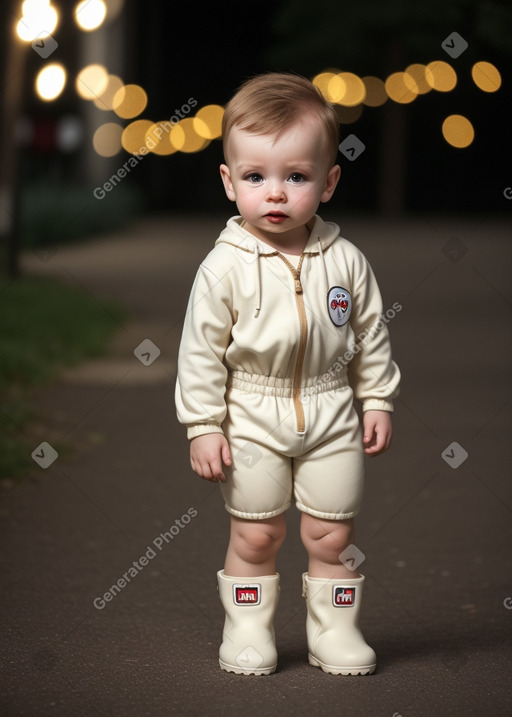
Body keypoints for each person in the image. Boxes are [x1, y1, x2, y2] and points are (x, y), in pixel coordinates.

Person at [175, 71, 400, 676]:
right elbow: (199, 352)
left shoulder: (346, 261)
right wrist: (203, 424)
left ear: (328, 182)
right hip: (251, 414)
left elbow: (369, 333)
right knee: (257, 534)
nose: (275, 194)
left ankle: (337, 632)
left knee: (331, 535)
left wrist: (376, 397)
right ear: (229, 181)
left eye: (295, 177)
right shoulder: (222, 268)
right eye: (255, 177)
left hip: (331, 413)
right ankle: (248, 628)